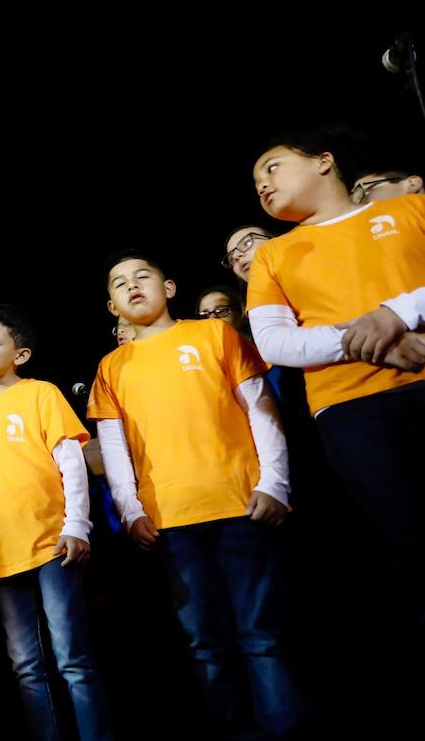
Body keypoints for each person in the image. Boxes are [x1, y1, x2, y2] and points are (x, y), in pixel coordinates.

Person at [90, 249, 299, 737]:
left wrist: (275, 483)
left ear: (169, 288)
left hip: (241, 503)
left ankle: (286, 728)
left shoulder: (213, 334)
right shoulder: (112, 367)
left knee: (261, 633)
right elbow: (114, 448)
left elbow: (260, 407)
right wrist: (131, 509)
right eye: (120, 283)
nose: (133, 285)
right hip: (171, 518)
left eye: (144, 275)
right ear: (112, 307)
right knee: (203, 641)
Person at [247, 131, 425, 631]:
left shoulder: (412, 211)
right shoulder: (273, 255)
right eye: (257, 181)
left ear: (324, 161)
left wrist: (398, 312)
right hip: (350, 409)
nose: (263, 184)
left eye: (273, 167)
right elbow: (275, 344)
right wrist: (379, 340)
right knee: (408, 550)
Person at [0, 306, 112, 741]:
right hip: (0, 551)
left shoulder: (41, 394)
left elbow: (71, 462)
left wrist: (77, 525)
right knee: (25, 664)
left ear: (19, 354)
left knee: (71, 657)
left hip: (50, 542)